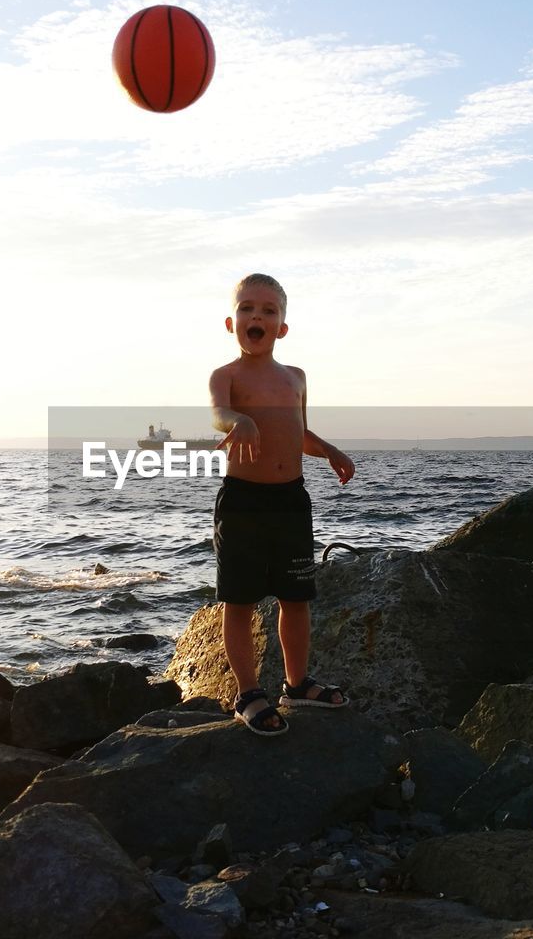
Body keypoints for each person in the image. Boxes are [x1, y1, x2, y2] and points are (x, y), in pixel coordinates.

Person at [208, 272, 356, 736]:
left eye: (269, 310)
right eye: (248, 308)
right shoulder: (226, 376)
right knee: (240, 600)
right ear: (232, 323)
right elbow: (218, 414)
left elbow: (298, 433)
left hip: (291, 500)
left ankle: (295, 683)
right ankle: (248, 692)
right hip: (244, 502)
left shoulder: (296, 377)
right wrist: (240, 421)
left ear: (282, 328)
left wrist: (329, 449)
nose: (257, 316)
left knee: (296, 598)